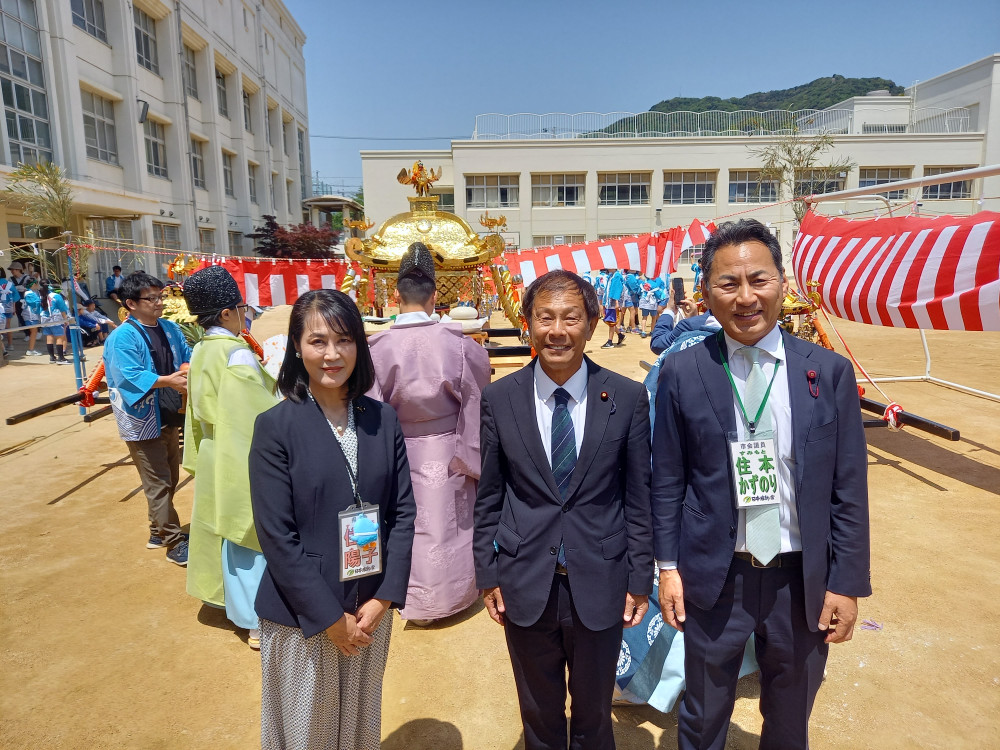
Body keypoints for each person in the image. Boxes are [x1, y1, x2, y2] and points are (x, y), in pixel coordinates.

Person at [652, 219, 871, 750]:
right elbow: (667, 478)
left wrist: (845, 581)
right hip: (716, 576)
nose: (746, 297)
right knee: (703, 714)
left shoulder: (828, 372)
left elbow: (848, 486)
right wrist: (668, 568)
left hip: (800, 581)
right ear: (705, 291)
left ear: (782, 282)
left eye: (760, 280)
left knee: (790, 715)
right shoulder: (682, 371)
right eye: (728, 284)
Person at [474, 269, 653, 750]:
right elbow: (489, 493)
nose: (557, 330)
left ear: (592, 324)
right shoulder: (499, 398)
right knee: (537, 708)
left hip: (601, 577)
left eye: (570, 317)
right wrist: (487, 573)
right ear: (528, 324)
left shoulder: (628, 397)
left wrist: (640, 578)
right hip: (525, 577)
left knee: (594, 712)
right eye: (545, 318)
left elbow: (638, 496)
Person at [249, 289, 416, 750]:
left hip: (368, 609)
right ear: (296, 348)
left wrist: (385, 598)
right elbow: (276, 536)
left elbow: (403, 514)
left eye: (343, 340)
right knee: (308, 733)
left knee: (360, 725)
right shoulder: (276, 427)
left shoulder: (382, 419)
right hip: (303, 614)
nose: (331, 354)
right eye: (317, 341)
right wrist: (327, 616)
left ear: (359, 346)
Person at [368, 243, 491, 625]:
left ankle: (410, 597)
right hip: (448, 446)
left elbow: (370, 404)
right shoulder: (458, 343)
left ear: (395, 295)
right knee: (450, 520)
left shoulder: (376, 346)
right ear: (435, 296)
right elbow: (477, 395)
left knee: (408, 521)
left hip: (398, 446)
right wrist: (472, 451)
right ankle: (455, 595)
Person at [181, 266, 278, 649]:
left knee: (217, 526)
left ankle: (224, 600)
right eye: (241, 308)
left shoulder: (201, 349)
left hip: (210, 448)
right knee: (248, 532)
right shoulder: (235, 353)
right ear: (226, 313)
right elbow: (256, 411)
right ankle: (257, 619)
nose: (246, 315)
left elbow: (194, 411)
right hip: (237, 449)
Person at [103, 272, 192, 565]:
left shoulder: (169, 328)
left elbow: (188, 353)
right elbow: (129, 376)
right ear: (130, 303)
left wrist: (187, 366)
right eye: (151, 298)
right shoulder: (122, 337)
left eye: (160, 296)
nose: (159, 303)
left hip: (169, 412)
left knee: (170, 475)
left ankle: (157, 531)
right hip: (141, 417)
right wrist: (171, 380)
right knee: (157, 481)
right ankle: (174, 542)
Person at [39, 281, 71, 364]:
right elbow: (62, 309)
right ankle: (61, 358)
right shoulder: (57, 296)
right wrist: (65, 319)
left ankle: (52, 357)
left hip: (45, 319)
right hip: (56, 319)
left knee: (49, 337)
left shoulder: (43, 295)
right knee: (59, 337)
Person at [21, 277, 42, 355]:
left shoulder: (32, 292)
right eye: (36, 283)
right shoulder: (29, 293)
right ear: (33, 284)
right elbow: (35, 302)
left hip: (32, 314)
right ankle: (31, 349)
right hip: (31, 315)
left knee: (34, 332)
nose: (37, 285)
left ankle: (31, 349)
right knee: (33, 332)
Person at [0, 267, 19, 351]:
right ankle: (10, 344)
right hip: (9, 307)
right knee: (8, 326)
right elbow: (16, 297)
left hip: (0, 308)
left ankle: (2, 347)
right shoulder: (10, 284)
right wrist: (13, 308)